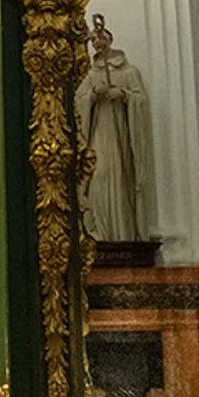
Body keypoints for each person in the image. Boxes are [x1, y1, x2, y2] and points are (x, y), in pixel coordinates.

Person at [74, 15, 149, 243]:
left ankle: (122, 231)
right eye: (94, 40)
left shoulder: (128, 71)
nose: (98, 43)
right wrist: (93, 96)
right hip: (98, 132)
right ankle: (98, 231)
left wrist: (124, 95)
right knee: (98, 174)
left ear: (110, 38)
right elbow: (78, 101)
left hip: (119, 135)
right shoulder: (90, 73)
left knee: (118, 175)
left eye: (102, 38)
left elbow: (141, 100)